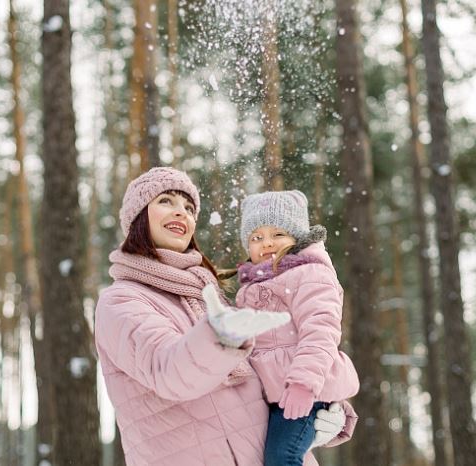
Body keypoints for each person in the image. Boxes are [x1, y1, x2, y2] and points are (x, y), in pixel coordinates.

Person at [94, 167, 355, 466]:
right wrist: (220, 338)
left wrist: (319, 404)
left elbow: (268, 365)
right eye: (166, 201)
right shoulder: (121, 302)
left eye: (189, 207)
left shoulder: (206, 294)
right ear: (137, 215)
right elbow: (169, 372)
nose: (182, 212)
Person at [226, 190, 360, 466]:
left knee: (281, 457)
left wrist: (304, 384)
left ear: (296, 238)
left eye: (278, 234)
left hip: (305, 390)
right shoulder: (250, 287)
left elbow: (320, 332)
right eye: (257, 237)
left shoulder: (309, 273)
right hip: (273, 395)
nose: (267, 243)